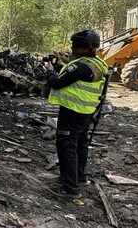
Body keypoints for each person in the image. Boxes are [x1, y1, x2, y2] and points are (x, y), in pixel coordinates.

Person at [44, 30, 109, 199]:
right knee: (80, 143)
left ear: (85, 47)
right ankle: (79, 177)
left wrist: (51, 70)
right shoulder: (98, 63)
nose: (72, 47)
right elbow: (75, 75)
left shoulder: (78, 66)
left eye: (76, 45)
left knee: (67, 146)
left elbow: (57, 83)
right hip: (86, 111)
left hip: (73, 111)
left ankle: (70, 188)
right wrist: (63, 65)